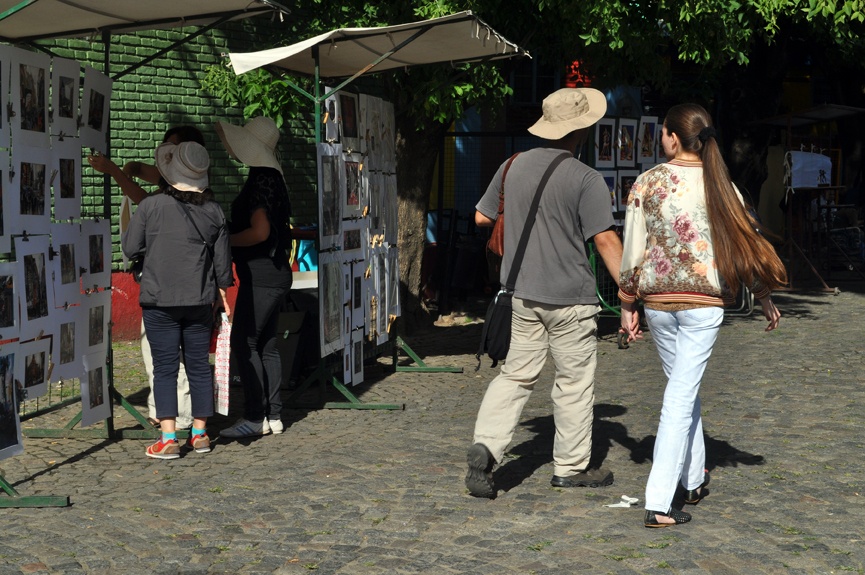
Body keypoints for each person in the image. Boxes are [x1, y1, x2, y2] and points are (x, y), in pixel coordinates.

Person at [617, 103, 787, 527]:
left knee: (679, 392)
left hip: (658, 303)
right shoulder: (724, 186)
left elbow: (632, 249)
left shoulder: (647, 183)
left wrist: (627, 304)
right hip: (704, 304)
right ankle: (676, 490)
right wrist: (762, 294)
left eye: (662, 133)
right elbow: (744, 246)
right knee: (681, 394)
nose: (660, 140)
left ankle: (675, 490)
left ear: (674, 138)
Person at [465, 88, 624, 498]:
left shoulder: (512, 165)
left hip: (521, 293)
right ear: (582, 129)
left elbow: (482, 217)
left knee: (516, 375)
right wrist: (629, 292)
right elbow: (604, 240)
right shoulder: (586, 178)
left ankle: (487, 444)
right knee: (573, 382)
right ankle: (570, 468)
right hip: (570, 298)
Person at [88, 126, 205, 430]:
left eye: (172, 150)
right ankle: (177, 414)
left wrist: (116, 172)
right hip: (191, 284)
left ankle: (176, 415)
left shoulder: (177, 192)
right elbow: (142, 172)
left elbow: (143, 200)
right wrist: (127, 170)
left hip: (167, 283)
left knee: (164, 354)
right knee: (172, 354)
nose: (166, 156)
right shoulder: (195, 190)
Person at [120, 141, 232, 459]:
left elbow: (130, 248)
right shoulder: (213, 210)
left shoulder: (151, 206)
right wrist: (222, 291)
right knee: (198, 366)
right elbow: (223, 265)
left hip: (159, 299)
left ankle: (168, 439)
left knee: (165, 367)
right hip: (200, 299)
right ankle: (200, 434)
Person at [216, 116, 293, 439]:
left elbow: (260, 232)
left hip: (261, 273)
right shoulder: (274, 178)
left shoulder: (262, 180)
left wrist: (224, 239)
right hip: (275, 272)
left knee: (244, 341)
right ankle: (273, 415)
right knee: (268, 345)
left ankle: (254, 415)